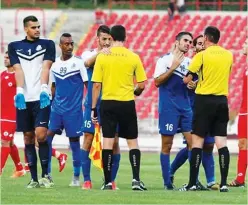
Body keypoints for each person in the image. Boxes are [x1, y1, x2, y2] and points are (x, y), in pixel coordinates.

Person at [91, 25, 147, 191]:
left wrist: (94, 108)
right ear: (125, 37)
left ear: (111, 37)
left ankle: (108, 182)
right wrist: (134, 92)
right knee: (132, 142)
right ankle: (136, 180)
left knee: (107, 142)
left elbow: (96, 86)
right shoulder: (133, 57)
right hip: (127, 103)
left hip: (108, 103)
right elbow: (142, 85)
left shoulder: (103, 57)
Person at [181, 26, 233, 192]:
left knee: (197, 143)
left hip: (204, 101)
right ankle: (224, 183)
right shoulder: (228, 55)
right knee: (221, 143)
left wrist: (192, 81)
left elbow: (186, 79)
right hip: (221, 101)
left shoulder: (201, 55)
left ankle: (192, 183)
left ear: (206, 37)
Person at [8, 15, 55, 188]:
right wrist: (19, 91)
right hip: (24, 99)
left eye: (38, 27)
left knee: (41, 135)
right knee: (28, 138)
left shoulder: (48, 44)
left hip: (41, 98)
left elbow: (46, 67)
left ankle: (45, 175)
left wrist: (44, 89)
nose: (37, 30)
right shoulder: (14, 46)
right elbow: (18, 69)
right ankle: (34, 179)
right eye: (33, 27)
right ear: (26, 29)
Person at [170, 35, 218, 190]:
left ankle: (211, 181)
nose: (201, 46)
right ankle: (193, 180)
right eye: (198, 44)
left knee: (209, 144)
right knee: (193, 145)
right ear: (195, 47)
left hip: (210, 108)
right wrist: (191, 84)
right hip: (193, 108)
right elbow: (182, 82)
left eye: (204, 44)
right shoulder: (190, 63)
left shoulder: (212, 63)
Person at [81, 25, 120, 190]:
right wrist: (101, 53)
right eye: (103, 39)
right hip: (92, 104)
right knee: (88, 140)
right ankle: (87, 180)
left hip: (112, 104)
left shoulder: (116, 56)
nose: (106, 42)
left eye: (109, 39)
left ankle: (110, 180)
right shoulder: (89, 53)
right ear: (97, 39)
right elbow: (87, 62)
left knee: (115, 142)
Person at [47, 33, 88, 187]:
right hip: (57, 109)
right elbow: (53, 87)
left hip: (74, 111)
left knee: (74, 142)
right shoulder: (54, 65)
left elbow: (87, 84)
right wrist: (50, 104)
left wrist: (89, 104)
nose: (70, 46)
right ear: (61, 45)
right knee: (46, 139)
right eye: (66, 44)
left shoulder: (79, 63)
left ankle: (76, 177)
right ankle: (47, 175)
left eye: (71, 43)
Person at [153, 32, 193, 190]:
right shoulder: (164, 60)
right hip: (169, 108)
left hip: (186, 108)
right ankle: (167, 182)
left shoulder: (191, 63)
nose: (188, 44)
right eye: (185, 40)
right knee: (167, 145)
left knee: (193, 144)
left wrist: (193, 85)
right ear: (177, 42)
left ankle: (193, 182)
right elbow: (157, 82)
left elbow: (193, 84)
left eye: (190, 41)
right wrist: (173, 68)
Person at [1, 51, 26, 178]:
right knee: (9, 142)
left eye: (7, 58)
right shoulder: (2, 74)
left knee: (5, 141)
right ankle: (19, 168)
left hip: (12, 114)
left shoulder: (18, 75)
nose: (5, 60)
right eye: (4, 57)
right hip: (2, 114)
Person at [228, 38, 247, 187]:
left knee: (243, 144)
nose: (243, 45)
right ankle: (240, 178)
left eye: (246, 43)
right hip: (244, 111)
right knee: (243, 144)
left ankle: (240, 178)